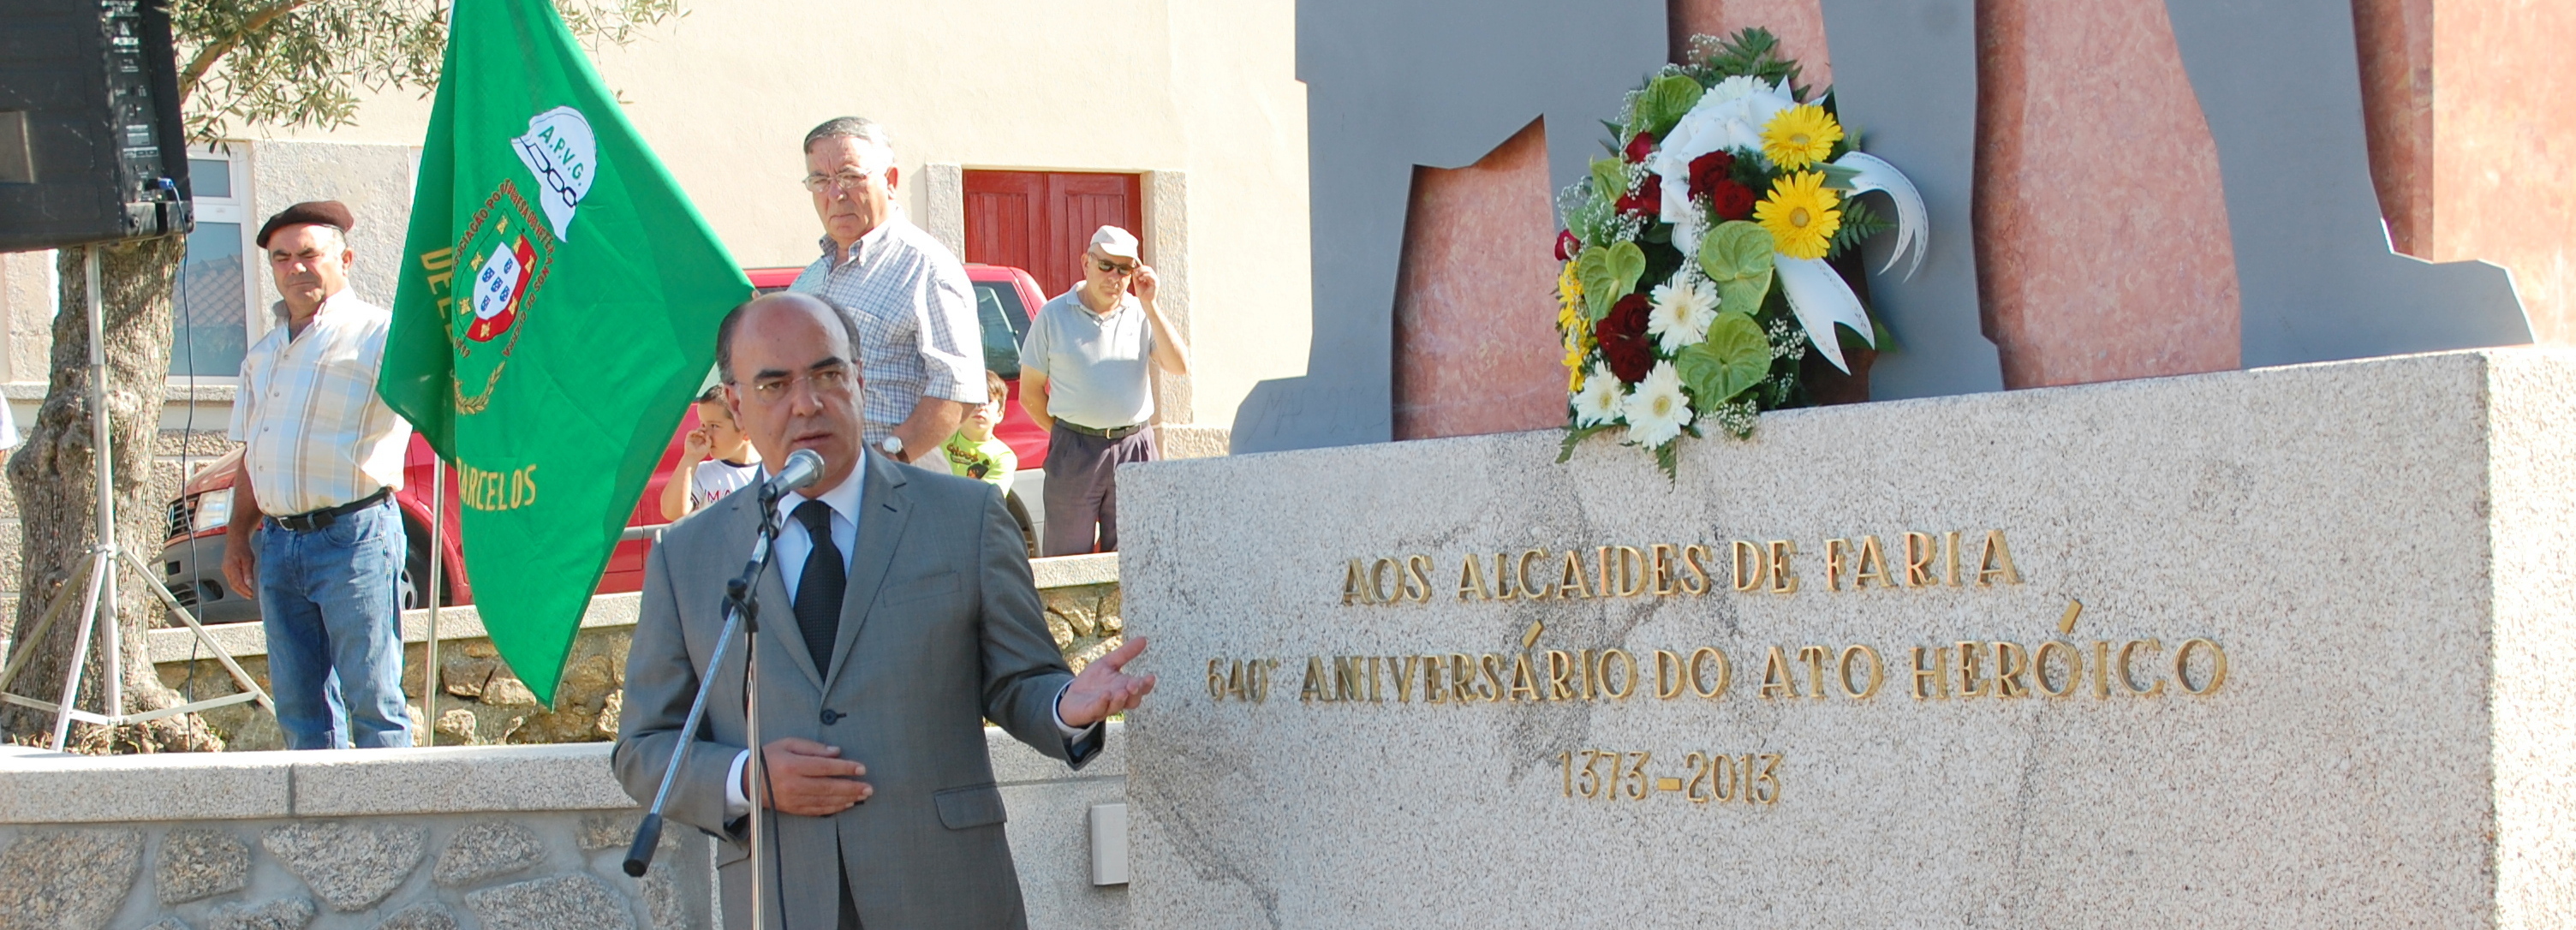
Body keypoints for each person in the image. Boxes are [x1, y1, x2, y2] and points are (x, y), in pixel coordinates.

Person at [613, 293, 1156, 929]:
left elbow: (1019, 681)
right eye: (775, 384)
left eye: (827, 374)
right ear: (736, 404)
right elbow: (645, 748)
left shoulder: (964, 518)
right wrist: (747, 778)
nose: (807, 402)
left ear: (860, 380)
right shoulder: (689, 557)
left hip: (944, 891)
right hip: (784, 897)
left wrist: (1066, 706)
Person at [218, 200, 416, 749]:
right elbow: (255, 456)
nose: (296, 268)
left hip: (354, 538)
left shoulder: (384, 336)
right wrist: (238, 536)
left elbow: (449, 404)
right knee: (302, 713)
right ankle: (324, 833)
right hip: (280, 548)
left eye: (309, 254)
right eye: (282, 258)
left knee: (374, 702)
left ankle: (393, 829)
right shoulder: (263, 356)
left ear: (345, 259)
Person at [786, 116, 987, 466]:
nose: (836, 193)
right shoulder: (810, 279)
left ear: (890, 181)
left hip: (897, 483)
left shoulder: (925, 267)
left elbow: (959, 390)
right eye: (820, 180)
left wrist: (885, 458)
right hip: (818, 485)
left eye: (851, 176)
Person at [1017, 225, 1190, 554]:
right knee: (1067, 559)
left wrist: (1151, 305)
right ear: (1086, 262)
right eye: (1106, 265)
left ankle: (1129, 609)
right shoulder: (1052, 315)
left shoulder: (1142, 314)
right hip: (1075, 449)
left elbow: (1178, 366)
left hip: (1134, 448)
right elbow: (1030, 393)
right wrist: (1071, 434)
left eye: (1124, 269)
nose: (1114, 276)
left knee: (1140, 555)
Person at [659, 385, 762, 522]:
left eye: (714, 426)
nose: (705, 434)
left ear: (746, 431)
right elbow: (672, 512)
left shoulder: (770, 470)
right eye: (703, 425)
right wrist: (690, 458)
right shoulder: (703, 473)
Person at [939, 370, 1017, 498]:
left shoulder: (1003, 458)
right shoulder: (940, 441)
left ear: (1000, 414)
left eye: (988, 401)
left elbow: (985, 500)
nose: (981, 407)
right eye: (973, 400)